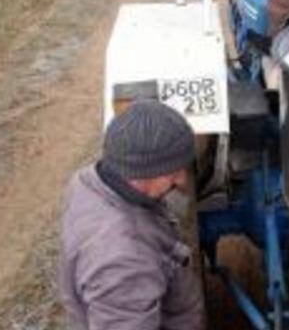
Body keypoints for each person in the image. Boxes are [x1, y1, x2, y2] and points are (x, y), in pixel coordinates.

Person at [58, 100, 205, 330]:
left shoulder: (89, 182)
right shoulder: (123, 263)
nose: (181, 180)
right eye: (173, 172)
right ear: (144, 172)